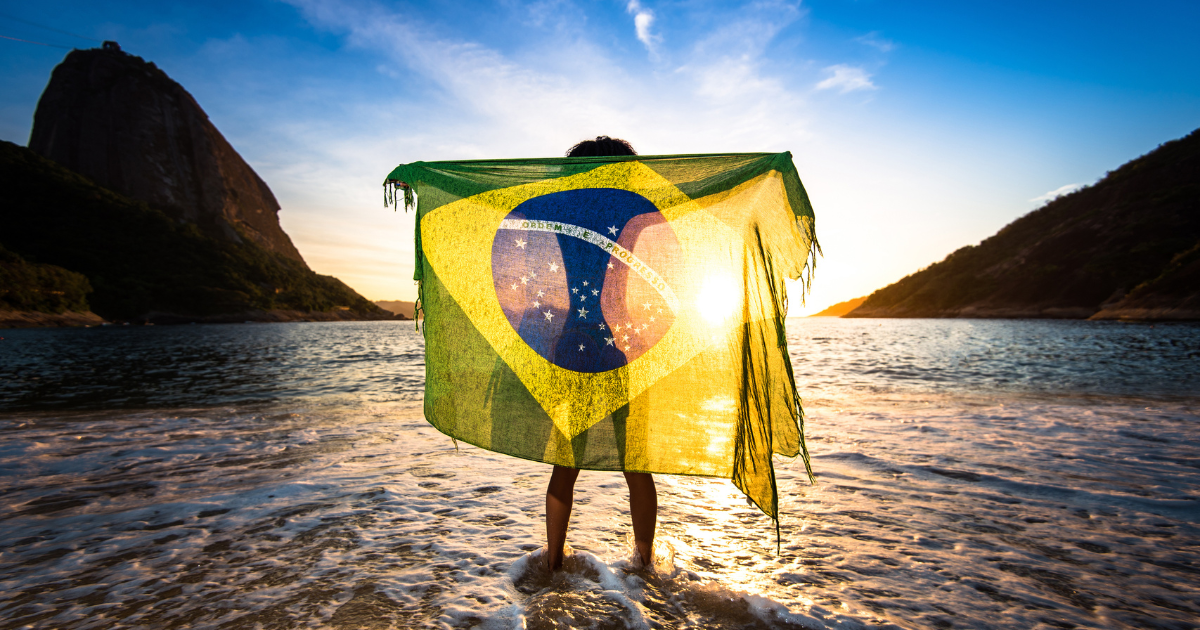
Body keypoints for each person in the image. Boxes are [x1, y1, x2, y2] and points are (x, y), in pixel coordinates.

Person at [544, 136, 658, 571]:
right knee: (636, 464)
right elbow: (691, 197)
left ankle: (553, 563)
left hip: (571, 341)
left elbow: (489, 198)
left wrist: (424, 182)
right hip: (614, 342)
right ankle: (645, 566)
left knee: (564, 464)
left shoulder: (558, 207)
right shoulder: (629, 207)